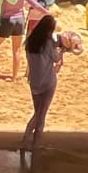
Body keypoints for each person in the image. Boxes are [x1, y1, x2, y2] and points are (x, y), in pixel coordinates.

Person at [21, 12, 64, 155]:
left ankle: (27, 140)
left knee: (37, 111)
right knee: (41, 114)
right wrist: (62, 49)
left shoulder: (29, 42)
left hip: (34, 81)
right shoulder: (47, 43)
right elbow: (56, 59)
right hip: (48, 81)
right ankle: (33, 142)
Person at [0, 0, 30, 75]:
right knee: (17, 50)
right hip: (20, 19)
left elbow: (2, 5)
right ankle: (14, 76)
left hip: (7, 19)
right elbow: (29, 3)